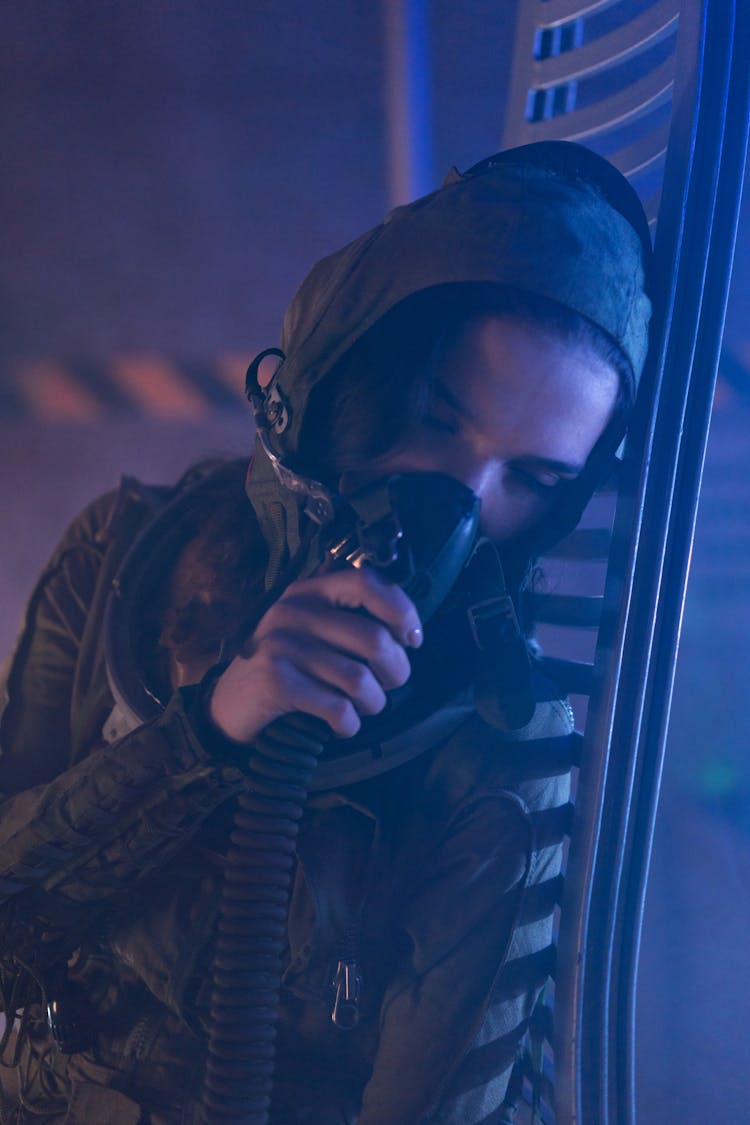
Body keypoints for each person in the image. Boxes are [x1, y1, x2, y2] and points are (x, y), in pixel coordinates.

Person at [0, 140, 651, 1124]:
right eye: (436, 422)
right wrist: (211, 729)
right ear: (334, 374)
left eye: (532, 480)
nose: (462, 506)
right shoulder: (121, 559)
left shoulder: (502, 748)